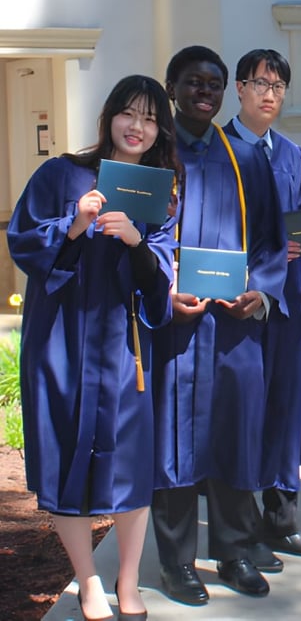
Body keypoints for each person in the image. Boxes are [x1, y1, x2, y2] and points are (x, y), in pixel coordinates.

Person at [8, 74, 179, 621]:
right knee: (63, 457)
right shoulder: (61, 172)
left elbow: (162, 275)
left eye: (150, 118)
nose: (138, 126)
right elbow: (23, 241)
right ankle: (87, 580)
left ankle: (127, 582)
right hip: (61, 337)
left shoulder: (156, 189)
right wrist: (75, 223)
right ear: (108, 117)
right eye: (129, 113)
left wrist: (136, 242)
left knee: (130, 459)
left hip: (122, 347)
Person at [150, 45, 287, 603]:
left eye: (213, 83)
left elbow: (271, 242)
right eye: (192, 83)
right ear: (172, 88)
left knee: (234, 436)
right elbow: (135, 236)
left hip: (232, 329)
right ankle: (176, 564)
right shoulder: (154, 155)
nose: (203, 92)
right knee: (174, 443)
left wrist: (260, 290)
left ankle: (233, 551)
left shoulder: (244, 158)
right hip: (175, 329)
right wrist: (164, 291)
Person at [222, 48, 301, 560]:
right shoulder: (215, 150)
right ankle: (241, 527)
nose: (269, 94)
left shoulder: (290, 153)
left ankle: (281, 520)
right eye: (260, 83)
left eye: (279, 86)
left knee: (286, 409)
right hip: (239, 304)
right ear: (239, 89)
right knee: (245, 413)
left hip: (287, 303)